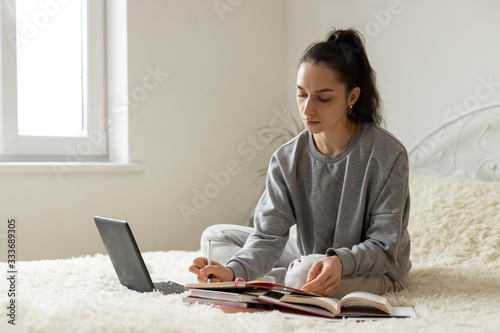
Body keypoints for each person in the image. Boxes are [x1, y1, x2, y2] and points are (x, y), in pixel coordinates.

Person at [189, 28, 411, 298]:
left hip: (371, 270)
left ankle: (274, 280)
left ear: (351, 97)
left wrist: (339, 262)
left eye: (323, 97)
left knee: (299, 274)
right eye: (301, 94)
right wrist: (234, 271)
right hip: (309, 257)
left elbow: (384, 247)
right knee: (214, 237)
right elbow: (269, 236)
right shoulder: (287, 158)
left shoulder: (387, 155)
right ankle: (264, 278)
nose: (307, 109)